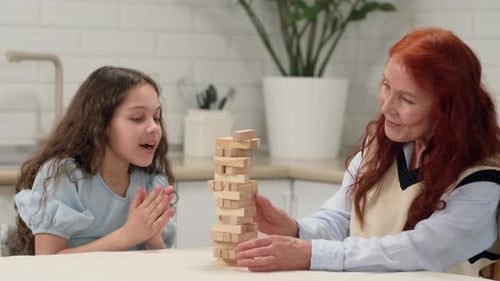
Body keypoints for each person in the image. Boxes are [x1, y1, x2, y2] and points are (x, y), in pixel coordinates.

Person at [235, 27, 500, 277]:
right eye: (386, 86)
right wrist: (296, 230)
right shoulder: (380, 144)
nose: (387, 108)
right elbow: (342, 220)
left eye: (406, 100)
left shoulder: (482, 179)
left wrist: (311, 253)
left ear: (448, 110)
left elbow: (422, 250)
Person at [11, 66, 177, 255]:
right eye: (138, 118)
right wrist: (127, 236)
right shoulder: (65, 178)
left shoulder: (151, 182)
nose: (154, 128)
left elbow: (162, 262)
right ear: (100, 124)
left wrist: (153, 240)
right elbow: (48, 260)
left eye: (156, 117)